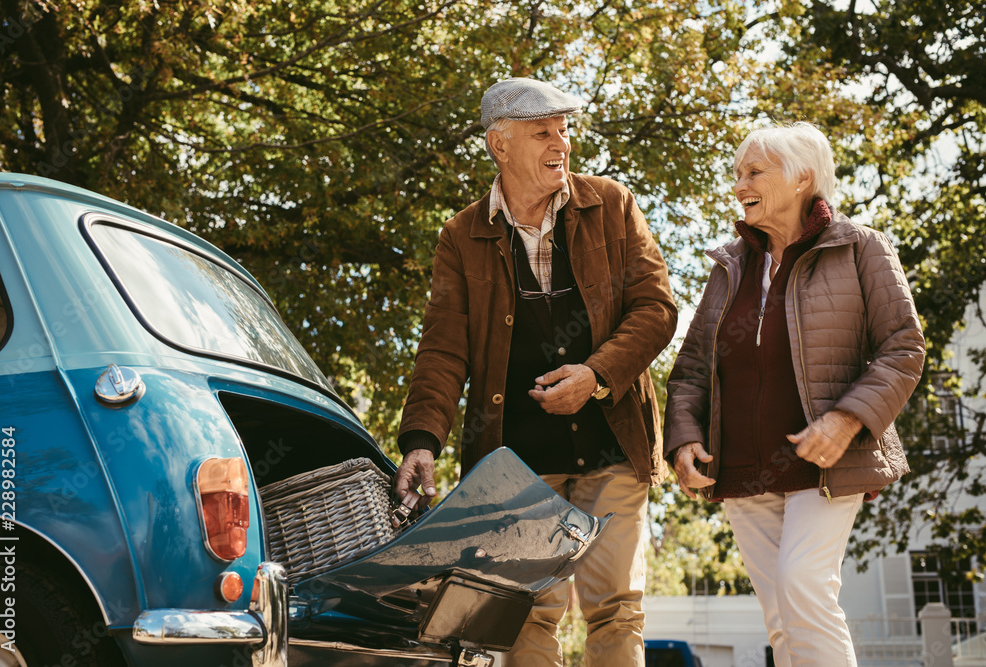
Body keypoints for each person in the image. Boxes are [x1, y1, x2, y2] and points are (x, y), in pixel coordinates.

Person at [393, 77, 678, 666]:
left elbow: (656, 309)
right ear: (500, 146)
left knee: (616, 606)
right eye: (543, 132)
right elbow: (444, 351)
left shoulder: (613, 205)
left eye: (564, 130)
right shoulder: (461, 235)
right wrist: (422, 440)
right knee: (525, 612)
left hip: (611, 444)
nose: (562, 143)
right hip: (516, 462)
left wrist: (595, 376)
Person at [664, 122, 925, 667]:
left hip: (826, 463)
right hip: (740, 465)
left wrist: (848, 420)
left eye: (754, 172)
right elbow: (692, 368)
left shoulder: (860, 247)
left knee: (802, 585)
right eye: (737, 174)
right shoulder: (731, 266)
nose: (739, 185)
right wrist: (684, 440)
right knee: (781, 615)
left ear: (803, 176)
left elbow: (904, 348)